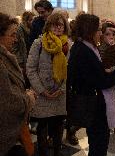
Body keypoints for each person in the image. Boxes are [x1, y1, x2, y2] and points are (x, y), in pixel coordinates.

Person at [67, 14, 115, 156]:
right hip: (93, 104)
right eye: (98, 30)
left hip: (93, 101)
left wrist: (105, 72)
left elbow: (95, 75)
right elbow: (101, 81)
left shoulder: (84, 47)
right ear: (89, 31)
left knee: (97, 141)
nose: (100, 33)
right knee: (99, 143)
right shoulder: (84, 51)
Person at [26, 13, 71, 156]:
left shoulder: (67, 45)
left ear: (65, 27)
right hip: (42, 94)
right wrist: (41, 90)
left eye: (61, 24)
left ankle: (57, 151)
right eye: (55, 24)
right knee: (42, 127)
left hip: (59, 94)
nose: (58, 27)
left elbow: (70, 70)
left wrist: (62, 89)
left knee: (58, 126)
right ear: (49, 26)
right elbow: (31, 69)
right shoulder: (38, 43)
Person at [0, 12, 36, 156]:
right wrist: (29, 98)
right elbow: (8, 102)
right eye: (12, 35)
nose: (15, 39)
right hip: (5, 135)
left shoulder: (5, 56)